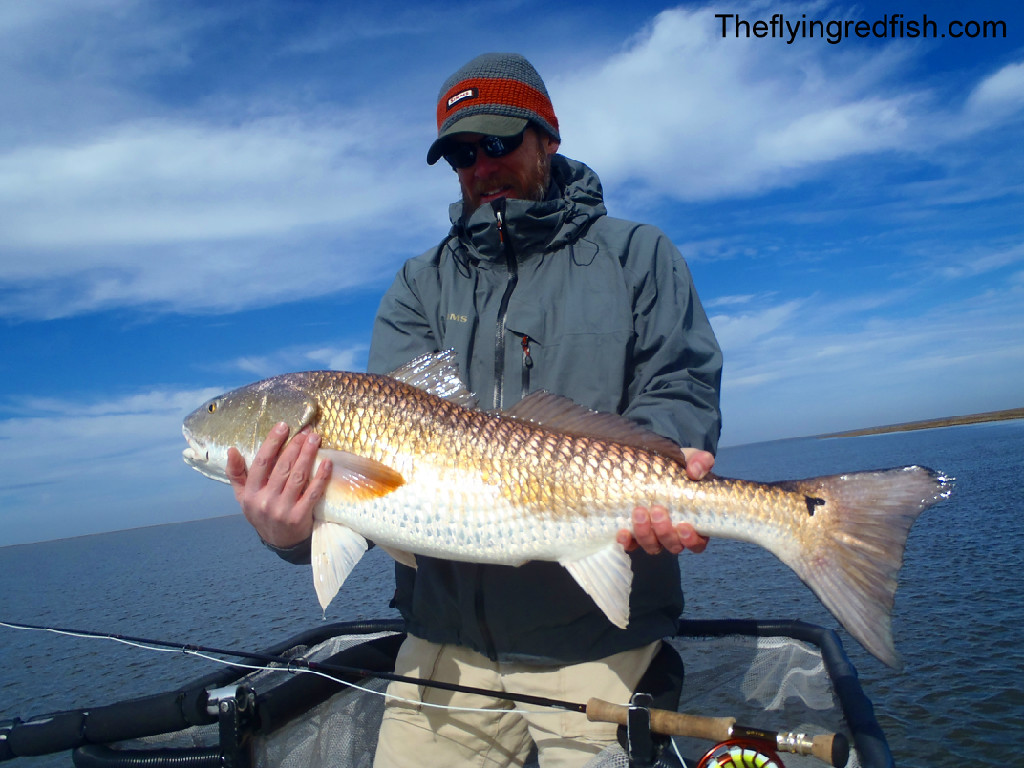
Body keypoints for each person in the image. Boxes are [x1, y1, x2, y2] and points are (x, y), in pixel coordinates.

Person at [227, 53, 722, 768]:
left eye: (498, 142)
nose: (481, 166)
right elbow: (377, 478)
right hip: (443, 653)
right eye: (462, 153)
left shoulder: (636, 256)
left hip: (599, 644)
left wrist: (667, 462)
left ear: (547, 138)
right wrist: (290, 533)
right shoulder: (417, 285)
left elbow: (680, 385)